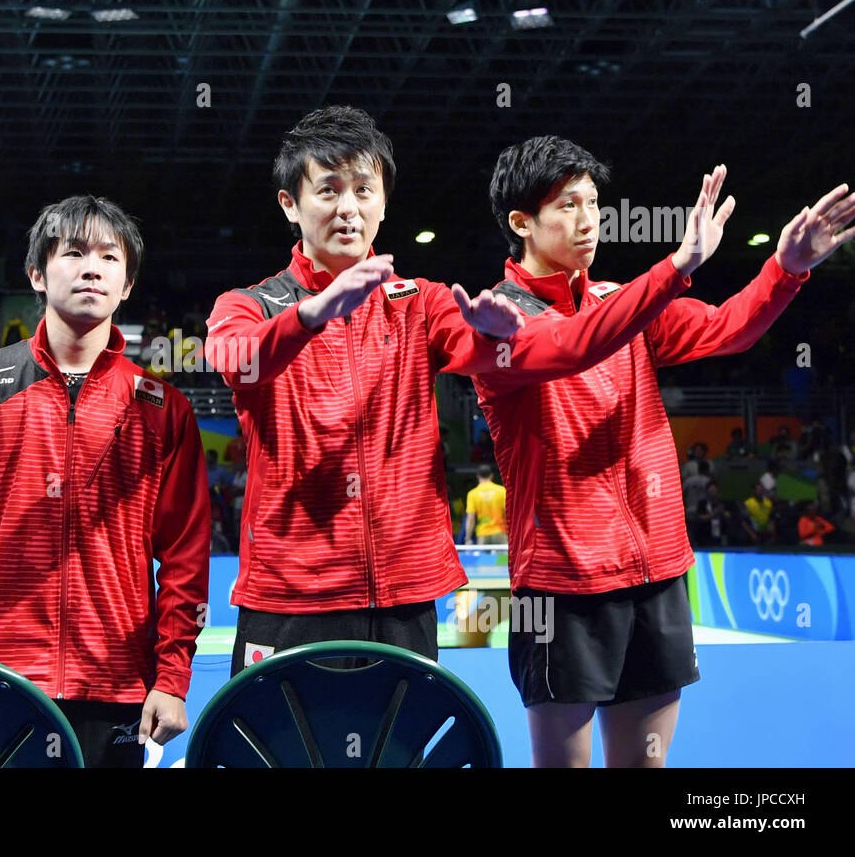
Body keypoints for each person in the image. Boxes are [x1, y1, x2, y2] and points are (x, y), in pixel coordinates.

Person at [204, 106, 706, 678]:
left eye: (365, 190)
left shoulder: (423, 302)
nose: (349, 207)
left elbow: (555, 350)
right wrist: (314, 313)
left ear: (385, 203)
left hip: (406, 593)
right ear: (290, 205)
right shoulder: (248, 305)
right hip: (287, 595)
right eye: (328, 190)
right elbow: (235, 362)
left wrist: (501, 339)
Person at [476, 134, 854, 767]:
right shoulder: (497, 322)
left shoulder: (623, 302)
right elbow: (575, 343)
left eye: (594, 202)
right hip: (563, 585)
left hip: (657, 573)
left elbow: (726, 330)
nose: (589, 219)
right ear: (522, 222)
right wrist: (676, 267)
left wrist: (785, 271)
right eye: (567, 204)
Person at [0, 195, 210, 768]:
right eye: (72, 252)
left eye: (108, 256)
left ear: (127, 285)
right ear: (36, 273)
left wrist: (172, 677)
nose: (91, 267)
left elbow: (185, 560)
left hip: (116, 683)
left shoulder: (163, 409)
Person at [464, 464, 508, 547]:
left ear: (478, 476)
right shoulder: (501, 491)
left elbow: (471, 519)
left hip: (483, 533)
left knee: (483, 560)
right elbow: (506, 514)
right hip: (500, 532)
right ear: (491, 476)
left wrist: (468, 538)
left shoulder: (472, 494)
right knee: (503, 560)